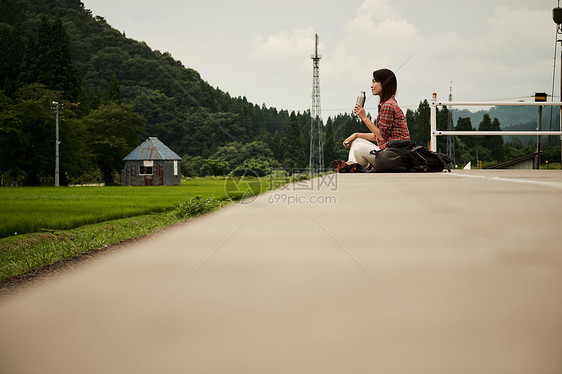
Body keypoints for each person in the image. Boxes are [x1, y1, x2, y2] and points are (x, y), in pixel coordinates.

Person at [342, 68, 410, 170]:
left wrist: (364, 117)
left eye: (374, 81)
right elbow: (379, 135)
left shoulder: (388, 106)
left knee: (358, 148)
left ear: (384, 83)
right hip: (390, 154)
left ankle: (361, 166)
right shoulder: (386, 104)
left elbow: (381, 136)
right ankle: (353, 164)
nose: (371, 86)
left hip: (395, 155)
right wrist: (356, 135)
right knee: (357, 141)